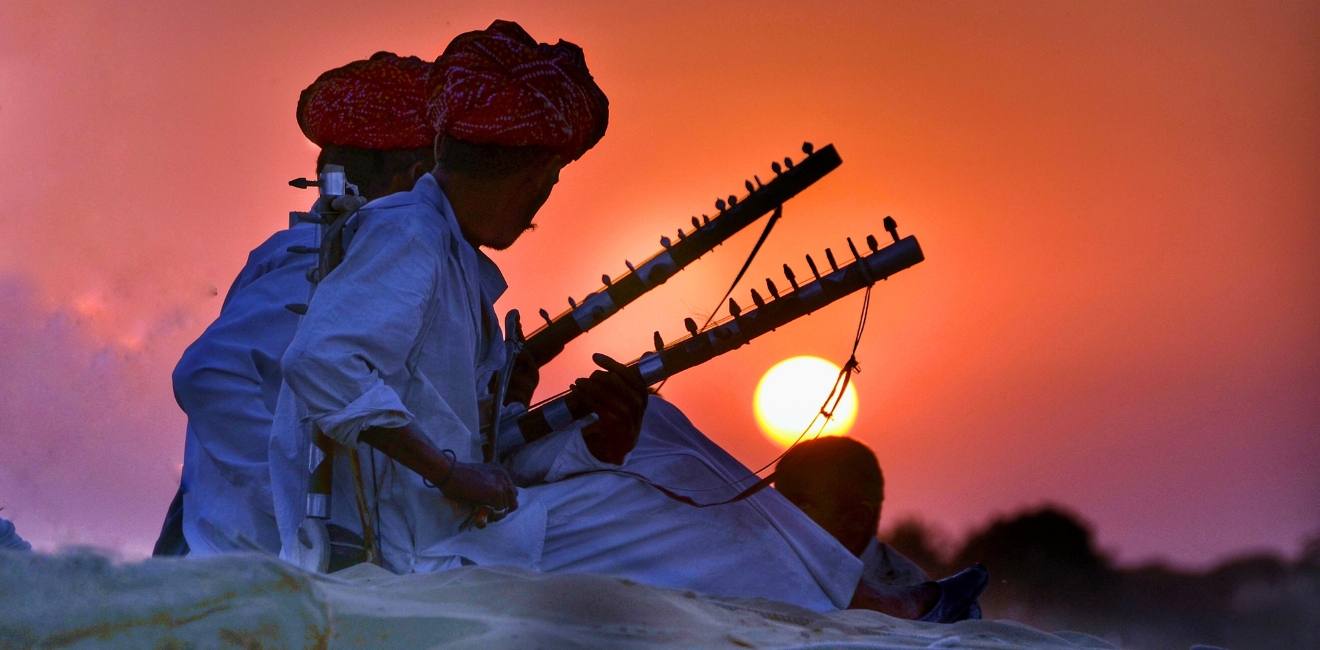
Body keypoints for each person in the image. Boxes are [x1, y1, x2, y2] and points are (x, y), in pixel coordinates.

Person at [267, 20, 645, 574]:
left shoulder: (451, 258)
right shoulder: (409, 233)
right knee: (666, 528)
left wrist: (594, 440)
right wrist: (450, 475)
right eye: (552, 180)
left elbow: (477, 454)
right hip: (407, 562)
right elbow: (322, 362)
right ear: (540, 175)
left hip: (445, 544)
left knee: (637, 507)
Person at [152, 52, 440, 557]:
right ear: (411, 177)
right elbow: (208, 374)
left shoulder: (341, 254)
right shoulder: (322, 262)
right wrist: (300, 507)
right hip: (253, 579)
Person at [775, 436, 987, 621]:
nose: (780, 515)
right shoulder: (778, 564)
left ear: (857, 518)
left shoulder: (904, 582)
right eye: (775, 502)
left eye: (800, 504)